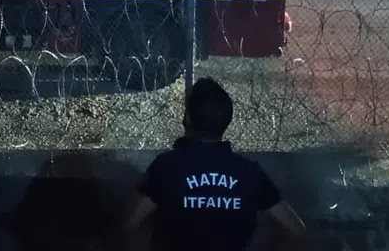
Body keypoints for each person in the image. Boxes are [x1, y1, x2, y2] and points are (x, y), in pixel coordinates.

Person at [126, 78, 304, 251]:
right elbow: (296, 230)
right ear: (227, 121)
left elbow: (129, 223)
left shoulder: (165, 167)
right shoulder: (250, 172)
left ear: (187, 118)